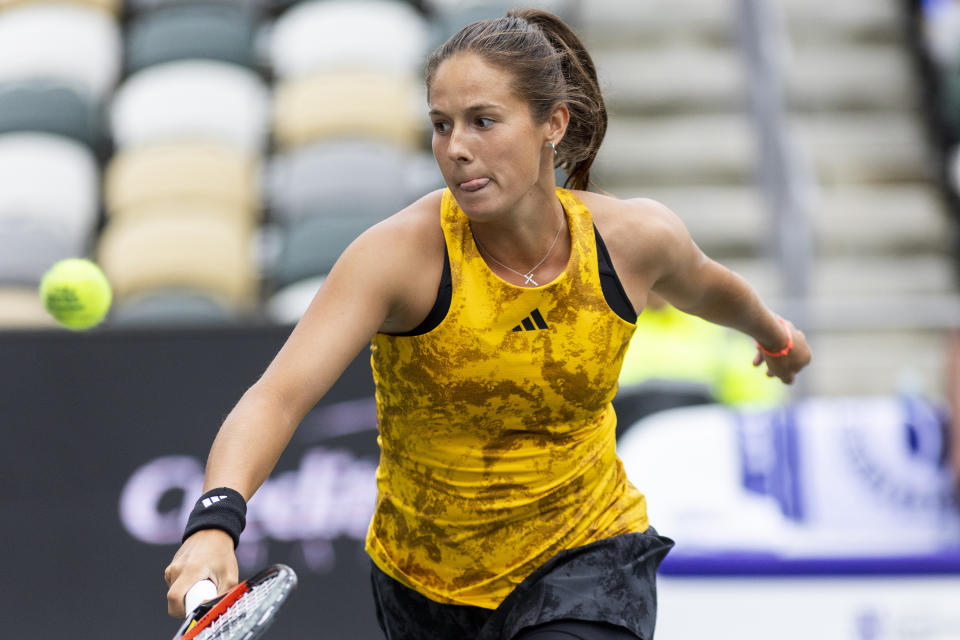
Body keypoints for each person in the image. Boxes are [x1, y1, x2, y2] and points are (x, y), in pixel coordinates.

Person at [163, 9, 812, 640]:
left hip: (587, 554)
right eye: (441, 126)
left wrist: (774, 337)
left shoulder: (632, 239)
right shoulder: (398, 257)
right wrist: (213, 524)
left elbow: (709, 286)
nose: (457, 149)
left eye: (483, 121)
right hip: (425, 587)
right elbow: (277, 397)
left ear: (551, 124)